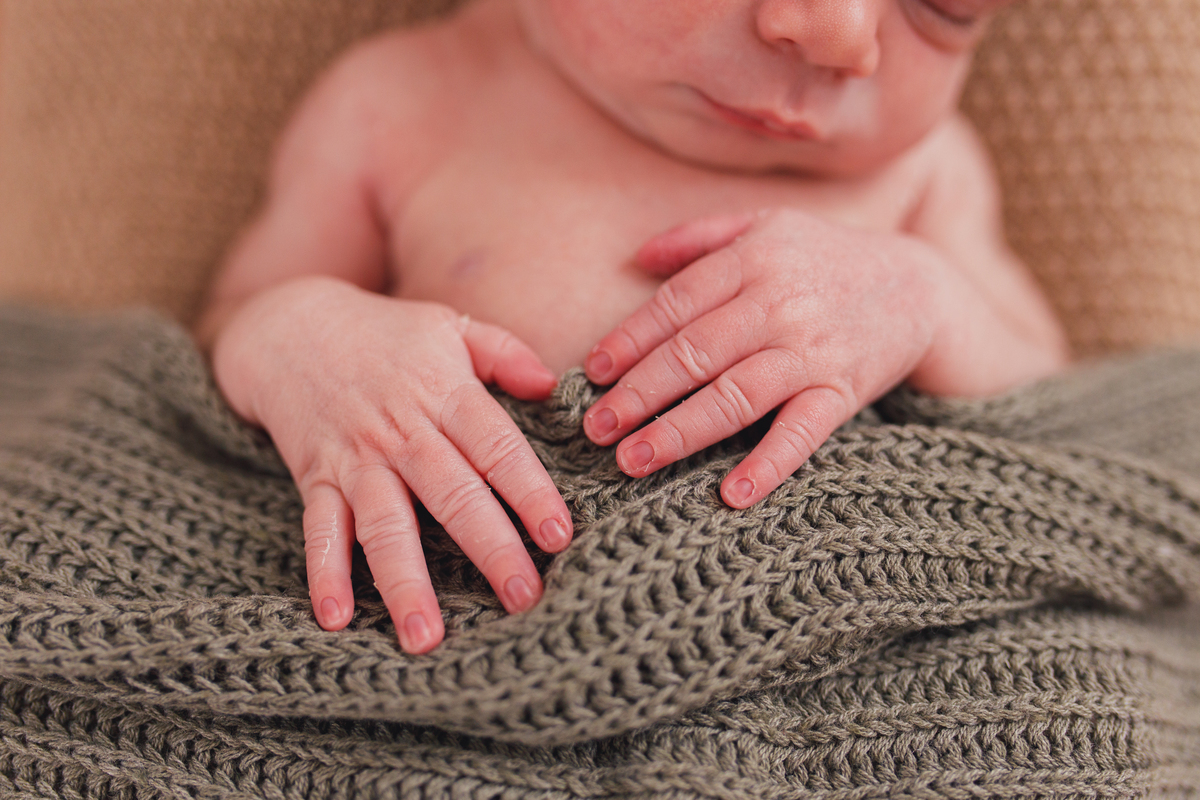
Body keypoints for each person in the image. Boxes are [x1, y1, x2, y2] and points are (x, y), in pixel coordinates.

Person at [195, 0, 1068, 654]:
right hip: (464, 643)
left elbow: (1056, 408)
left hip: (847, 642)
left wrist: (923, 297)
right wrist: (307, 337)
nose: (838, 31)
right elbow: (236, 323)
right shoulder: (404, 98)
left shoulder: (926, 170)